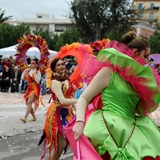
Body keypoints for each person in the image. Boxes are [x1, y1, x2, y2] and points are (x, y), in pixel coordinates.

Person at [72, 31, 160, 160]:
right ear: (135, 53)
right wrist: (80, 122)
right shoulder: (108, 72)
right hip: (107, 128)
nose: (147, 61)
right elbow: (84, 98)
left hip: (131, 130)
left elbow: (133, 109)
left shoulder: (137, 82)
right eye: (145, 56)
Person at [38, 58, 77, 160]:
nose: (61, 66)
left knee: (69, 141)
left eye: (62, 64)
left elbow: (70, 97)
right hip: (57, 114)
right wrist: (79, 100)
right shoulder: (55, 82)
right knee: (61, 144)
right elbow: (63, 101)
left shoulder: (66, 79)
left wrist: (78, 111)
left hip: (67, 113)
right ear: (54, 69)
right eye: (58, 65)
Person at [20, 59, 41, 123]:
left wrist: (33, 74)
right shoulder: (28, 70)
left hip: (35, 88)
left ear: (36, 64)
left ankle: (25, 117)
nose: (31, 64)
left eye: (33, 63)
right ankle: (34, 117)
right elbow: (22, 78)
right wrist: (24, 72)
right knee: (27, 103)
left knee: (29, 102)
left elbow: (38, 81)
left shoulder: (37, 71)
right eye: (31, 63)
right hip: (29, 88)